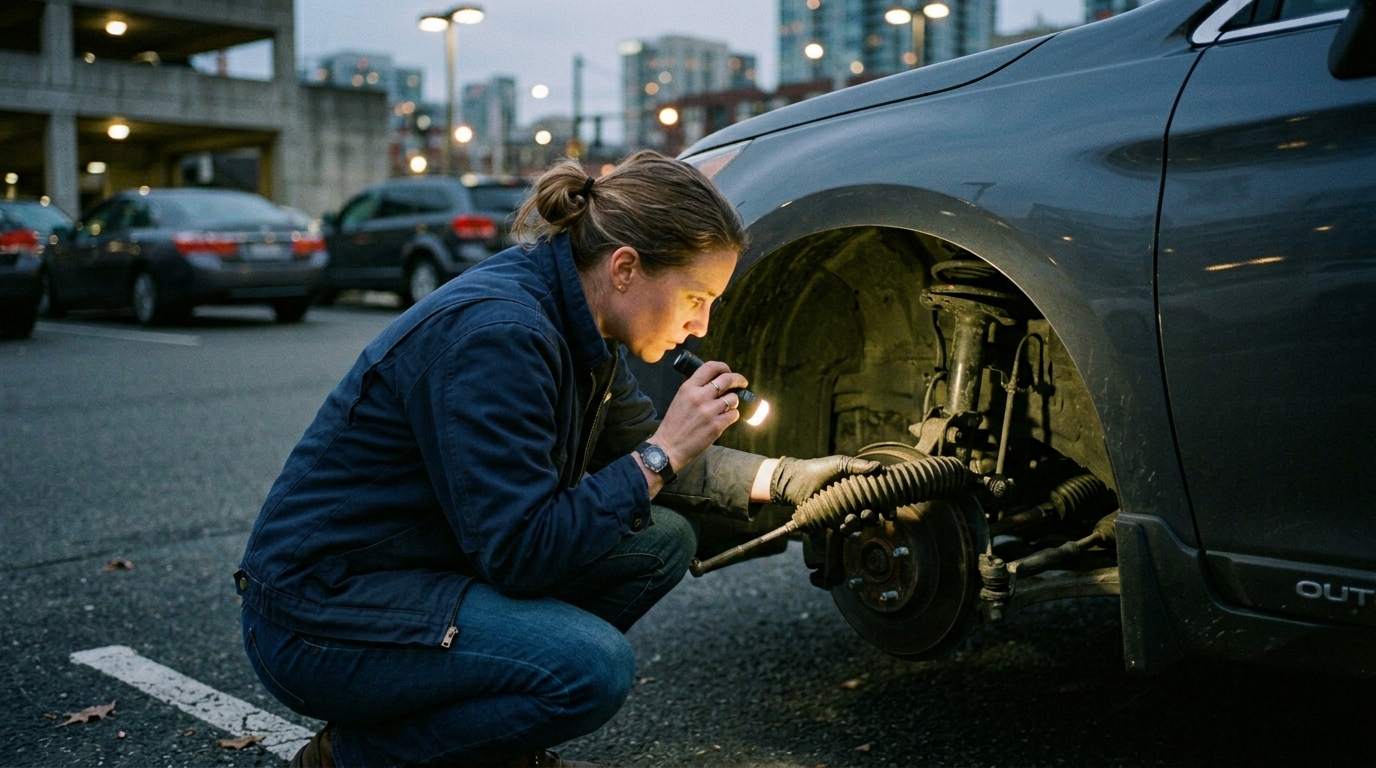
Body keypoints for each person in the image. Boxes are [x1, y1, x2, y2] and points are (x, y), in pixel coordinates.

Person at [234, 150, 878, 768]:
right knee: (588, 669)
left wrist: (791, 479)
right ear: (625, 268)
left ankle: (481, 741)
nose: (702, 326)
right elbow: (521, 550)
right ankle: (350, 759)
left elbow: (648, 457)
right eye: (695, 298)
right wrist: (663, 452)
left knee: (660, 540)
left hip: (419, 572)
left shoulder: (578, 323)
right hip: (321, 616)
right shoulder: (499, 335)